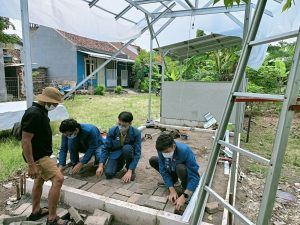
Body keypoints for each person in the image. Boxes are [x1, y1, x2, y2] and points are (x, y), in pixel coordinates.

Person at [21, 87, 71, 225]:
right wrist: (31, 164)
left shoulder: (40, 111)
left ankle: (36, 211)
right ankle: (52, 218)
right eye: (54, 103)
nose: (55, 106)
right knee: (58, 179)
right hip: (39, 156)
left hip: (41, 154)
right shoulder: (34, 114)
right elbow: (25, 140)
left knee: (39, 180)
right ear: (47, 101)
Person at [149, 133, 200, 211]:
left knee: (180, 168)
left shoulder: (185, 151)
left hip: (181, 171)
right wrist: (171, 189)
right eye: (163, 152)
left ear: (174, 146)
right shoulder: (161, 149)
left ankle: (185, 187)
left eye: (167, 152)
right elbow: (163, 170)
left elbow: (194, 176)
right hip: (170, 168)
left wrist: (185, 196)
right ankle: (173, 182)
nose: (164, 154)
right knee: (153, 160)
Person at [96, 111, 141, 182]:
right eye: (119, 124)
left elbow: (137, 153)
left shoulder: (136, 133)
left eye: (124, 126)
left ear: (130, 123)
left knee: (127, 148)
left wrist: (130, 170)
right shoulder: (112, 131)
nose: (121, 127)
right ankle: (120, 164)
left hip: (128, 152)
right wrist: (101, 165)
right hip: (116, 153)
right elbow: (106, 148)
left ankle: (129, 167)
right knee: (108, 173)